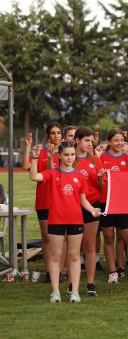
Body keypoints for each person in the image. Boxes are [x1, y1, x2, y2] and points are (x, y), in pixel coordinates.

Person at [29, 141, 101, 303]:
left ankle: (75, 292)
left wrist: (92, 210)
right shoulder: (52, 173)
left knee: (74, 255)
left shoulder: (80, 176)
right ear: (60, 156)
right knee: (56, 256)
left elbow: (83, 200)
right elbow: (34, 176)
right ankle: (55, 292)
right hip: (56, 220)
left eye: (72, 155)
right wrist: (34, 158)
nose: (69, 158)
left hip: (76, 220)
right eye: (66, 155)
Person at [99, 129, 128, 284]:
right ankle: (112, 272)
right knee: (109, 237)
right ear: (109, 142)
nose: (119, 143)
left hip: (124, 203)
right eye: (116, 140)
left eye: (121, 140)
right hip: (106, 202)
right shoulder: (102, 158)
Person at [23, 124, 62, 282]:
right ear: (48, 136)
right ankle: (49, 271)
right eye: (52, 133)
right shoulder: (42, 153)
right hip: (45, 201)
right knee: (47, 238)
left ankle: (60, 270)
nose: (56, 136)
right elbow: (26, 166)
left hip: (63, 202)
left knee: (62, 238)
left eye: (59, 133)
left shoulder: (68, 153)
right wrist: (28, 146)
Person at [73, 127, 103, 296]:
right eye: (86, 140)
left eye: (91, 141)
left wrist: (99, 179)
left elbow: (101, 187)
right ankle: (72, 282)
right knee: (74, 248)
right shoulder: (70, 158)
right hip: (73, 207)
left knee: (90, 246)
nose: (89, 144)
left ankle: (90, 283)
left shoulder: (96, 160)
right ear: (77, 140)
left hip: (92, 205)